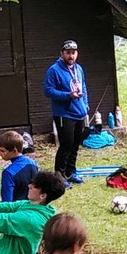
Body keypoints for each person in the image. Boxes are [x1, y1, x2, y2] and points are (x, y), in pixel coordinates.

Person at [45, 40, 89, 184]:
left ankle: (71, 172)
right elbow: (48, 91)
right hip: (64, 114)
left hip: (79, 112)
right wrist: (67, 95)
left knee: (75, 144)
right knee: (66, 145)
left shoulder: (79, 68)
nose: (71, 56)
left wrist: (86, 105)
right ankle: (59, 176)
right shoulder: (54, 70)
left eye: (73, 53)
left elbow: (83, 87)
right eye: (68, 53)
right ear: (62, 53)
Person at [0, 130, 39, 203]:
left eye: (2, 151)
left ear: (14, 150)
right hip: (33, 205)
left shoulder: (8, 173)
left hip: (17, 207)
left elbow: (6, 203)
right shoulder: (33, 163)